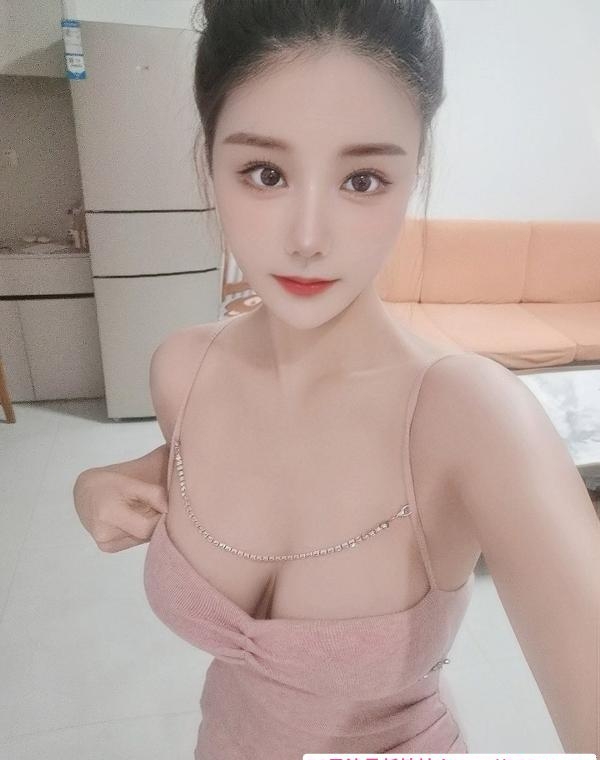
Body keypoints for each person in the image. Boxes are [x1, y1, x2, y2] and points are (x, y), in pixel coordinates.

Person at [72, 1, 600, 756]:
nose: (309, 238)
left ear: (415, 172)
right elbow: (258, 468)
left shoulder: (471, 417)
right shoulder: (183, 371)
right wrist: (107, 479)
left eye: (362, 179)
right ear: (208, 160)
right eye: (265, 173)